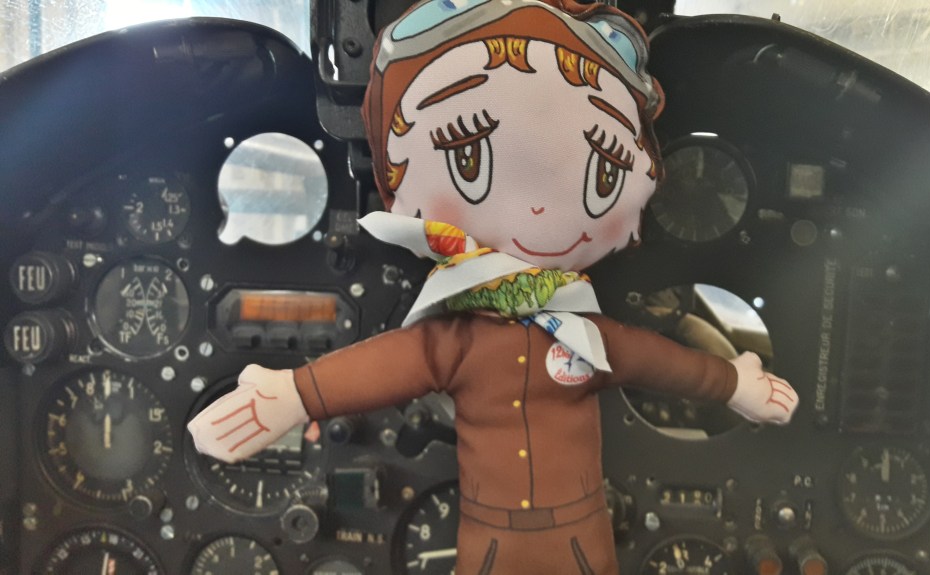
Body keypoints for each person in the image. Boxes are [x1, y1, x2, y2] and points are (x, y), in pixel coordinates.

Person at [189, 0, 798, 572]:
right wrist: (296, 393)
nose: (537, 211)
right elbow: (392, 363)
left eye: (602, 168)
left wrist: (733, 382)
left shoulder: (583, 337)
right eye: (468, 158)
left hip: (579, 534)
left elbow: (661, 362)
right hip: (494, 540)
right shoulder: (485, 340)